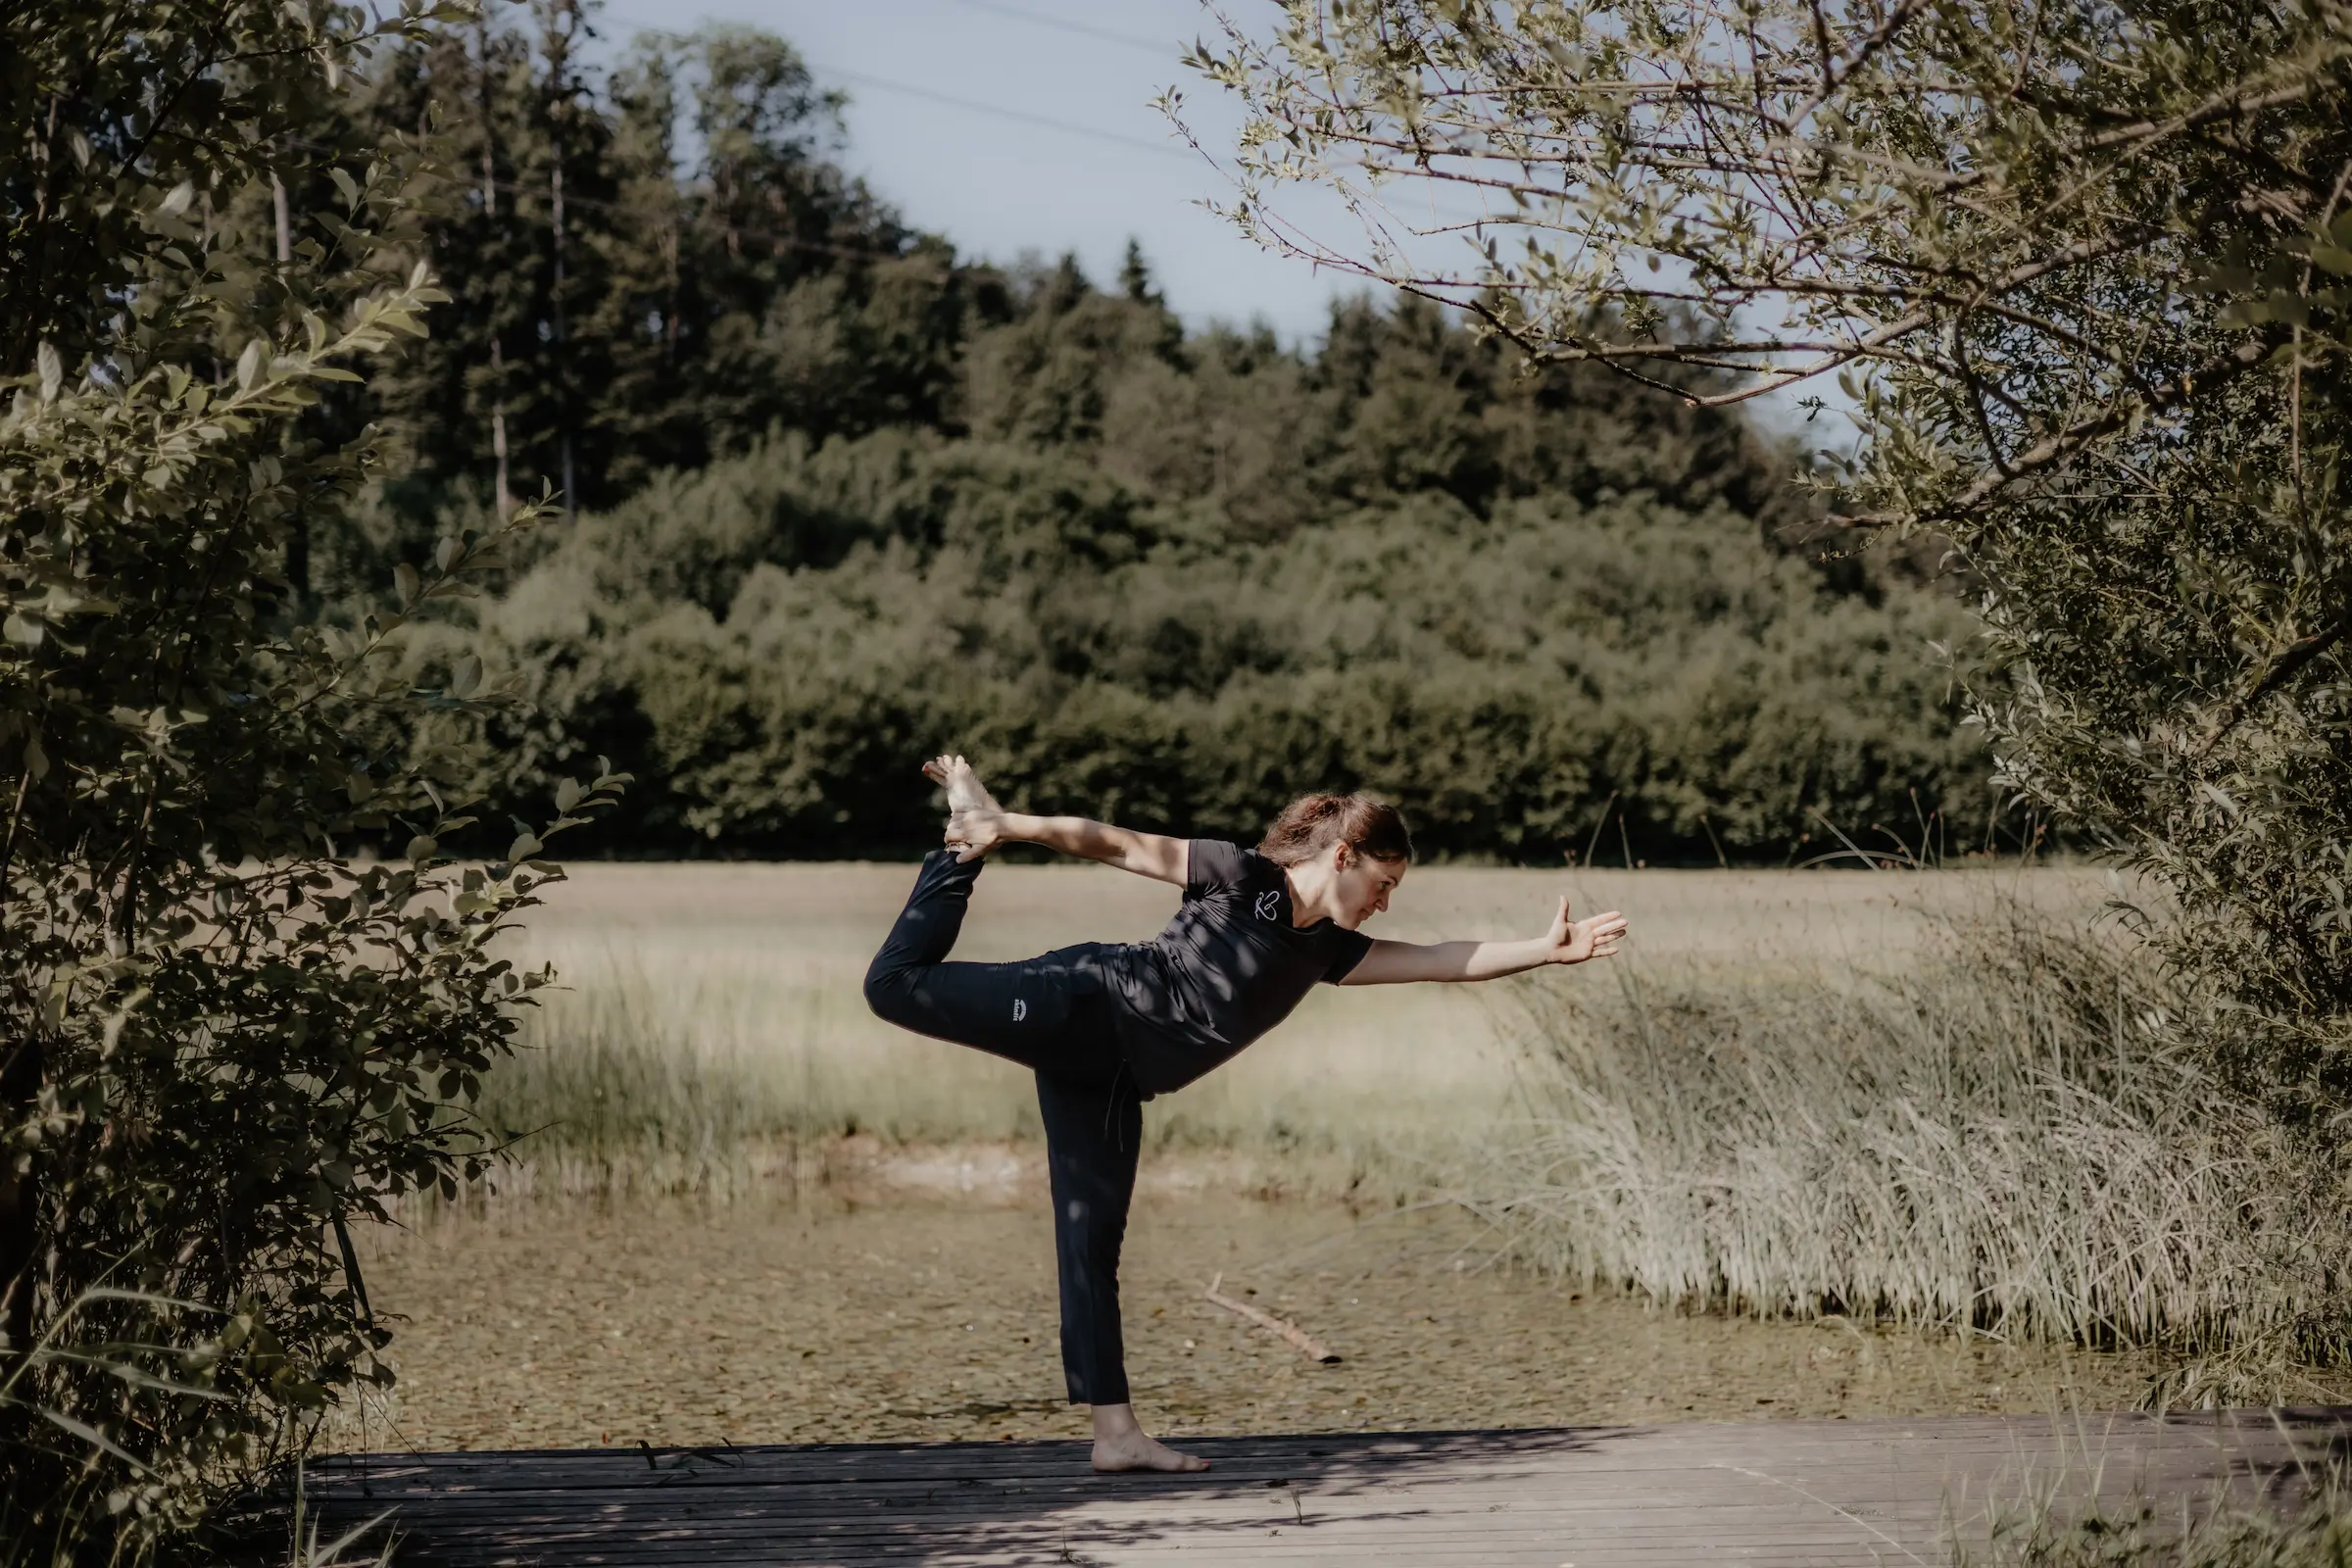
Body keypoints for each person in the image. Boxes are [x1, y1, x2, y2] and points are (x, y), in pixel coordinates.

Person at [862, 755, 1629, 1474]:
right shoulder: (1239, 875)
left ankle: (1116, 1435)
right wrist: (1005, 825)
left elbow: (1440, 960)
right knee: (893, 987)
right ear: (1343, 857)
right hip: (1083, 1003)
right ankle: (962, 844)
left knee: (1089, 1246)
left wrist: (1543, 950)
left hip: (1110, 1081)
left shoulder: (1329, 950)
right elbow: (1119, 844)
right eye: (1383, 882)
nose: (1386, 902)